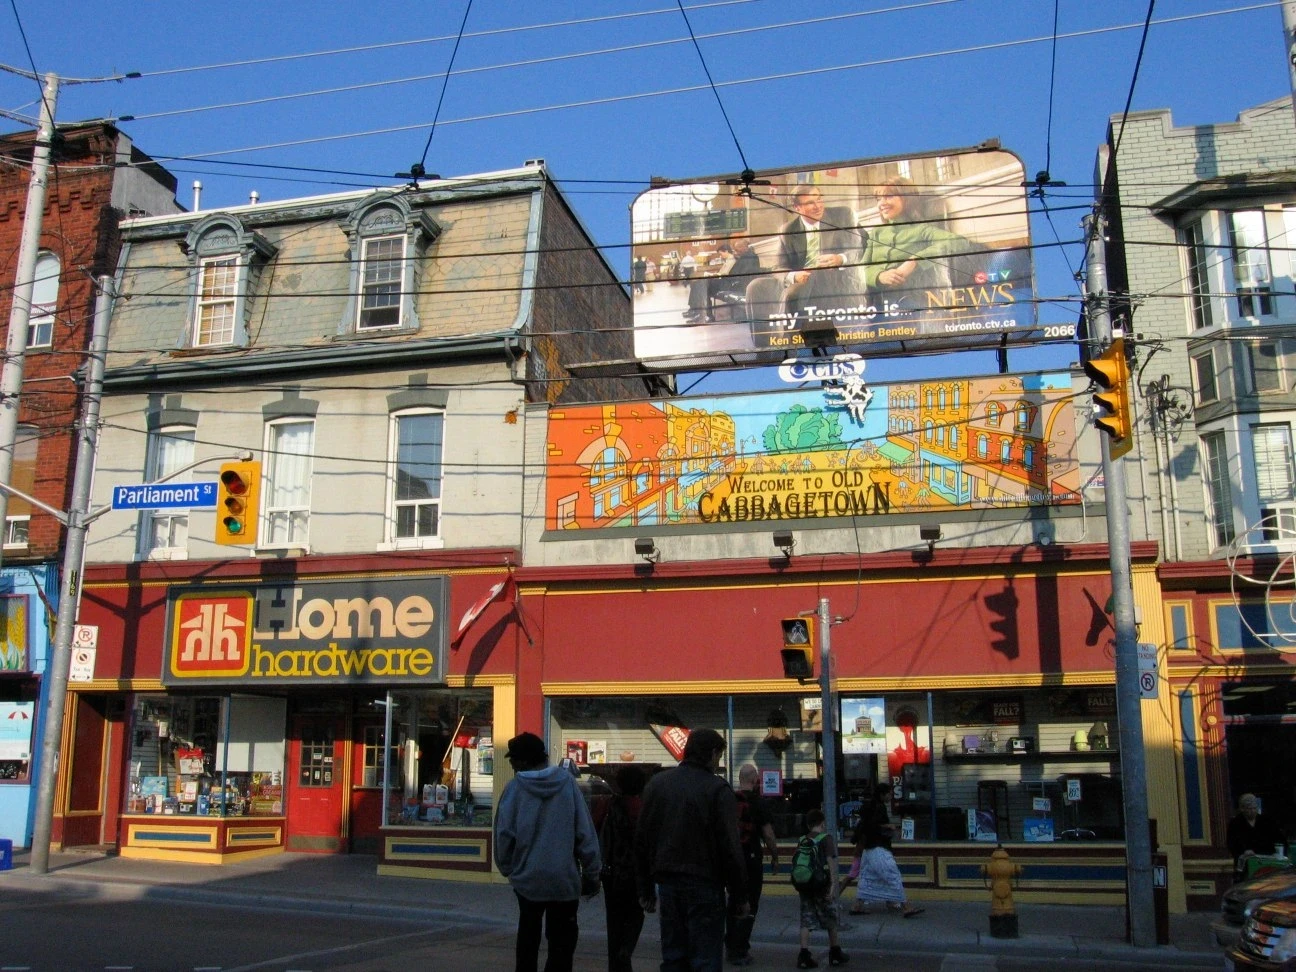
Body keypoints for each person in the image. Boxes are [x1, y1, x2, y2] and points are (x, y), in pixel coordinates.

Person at [635, 728, 748, 972]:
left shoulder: (658, 785)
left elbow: (642, 839)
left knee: (674, 956)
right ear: (713, 753)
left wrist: (645, 888)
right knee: (705, 958)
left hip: (668, 883)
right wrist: (739, 896)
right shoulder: (718, 790)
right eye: (718, 756)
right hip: (705, 883)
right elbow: (730, 847)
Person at [494, 731, 602, 972]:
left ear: (523, 760)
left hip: (528, 880)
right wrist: (592, 874)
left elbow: (503, 834)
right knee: (562, 946)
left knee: (527, 942)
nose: (510, 763)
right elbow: (585, 833)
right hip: (563, 881)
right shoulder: (568, 785)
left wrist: (509, 868)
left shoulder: (514, 789)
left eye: (513, 759)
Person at [860, 176, 972, 303]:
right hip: (878, 304)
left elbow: (959, 242)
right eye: (879, 199)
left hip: (912, 300)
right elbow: (862, 268)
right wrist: (879, 276)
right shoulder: (876, 233)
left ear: (907, 199)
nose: (882, 203)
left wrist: (915, 260)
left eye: (889, 196)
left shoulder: (921, 230)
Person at [775, 185, 865, 319]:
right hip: (805, 282)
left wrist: (840, 259)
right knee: (757, 286)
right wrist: (794, 275)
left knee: (792, 294)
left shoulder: (843, 215)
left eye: (819, 199)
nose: (818, 206)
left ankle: (787, 336)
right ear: (797, 208)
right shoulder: (787, 230)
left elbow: (858, 248)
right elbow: (778, 267)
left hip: (838, 278)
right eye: (810, 203)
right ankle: (787, 337)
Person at [593, 765, 648, 972]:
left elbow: (593, 830)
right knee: (636, 913)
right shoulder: (643, 807)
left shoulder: (606, 804)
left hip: (611, 871)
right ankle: (627, 947)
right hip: (635, 872)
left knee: (614, 919)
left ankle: (616, 962)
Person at [725, 764, 779, 967]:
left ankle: (730, 944)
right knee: (750, 903)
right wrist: (775, 856)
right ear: (755, 779)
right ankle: (740, 948)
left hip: (732, 859)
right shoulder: (759, 803)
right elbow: (768, 834)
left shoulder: (729, 800)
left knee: (734, 900)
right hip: (751, 858)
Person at [849, 791, 923, 918]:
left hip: (868, 853)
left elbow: (853, 839)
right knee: (892, 877)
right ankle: (906, 906)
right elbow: (883, 833)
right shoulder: (875, 825)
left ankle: (857, 905)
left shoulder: (863, 824)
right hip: (879, 851)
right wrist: (888, 827)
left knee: (867, 878)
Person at [794, 808, 849, 969]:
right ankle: (835, 952)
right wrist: (833, 885)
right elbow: (831, 863)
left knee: (806, 920)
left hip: (805, 885)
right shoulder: (826, 839)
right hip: (821, 885)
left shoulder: (802, 839)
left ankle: (803, 955)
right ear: (822, 823)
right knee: (830, 918)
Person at [1228, 792, 1285, 878]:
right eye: (1249, 809)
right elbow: (1232, 843)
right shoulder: (1235, 823)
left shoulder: (1266, 821)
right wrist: (1243, 851)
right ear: (1242, 809)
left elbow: (1279, 838)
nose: (1253, 811)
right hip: (1246, 864)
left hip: (1266, 860)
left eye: (1254, 808)